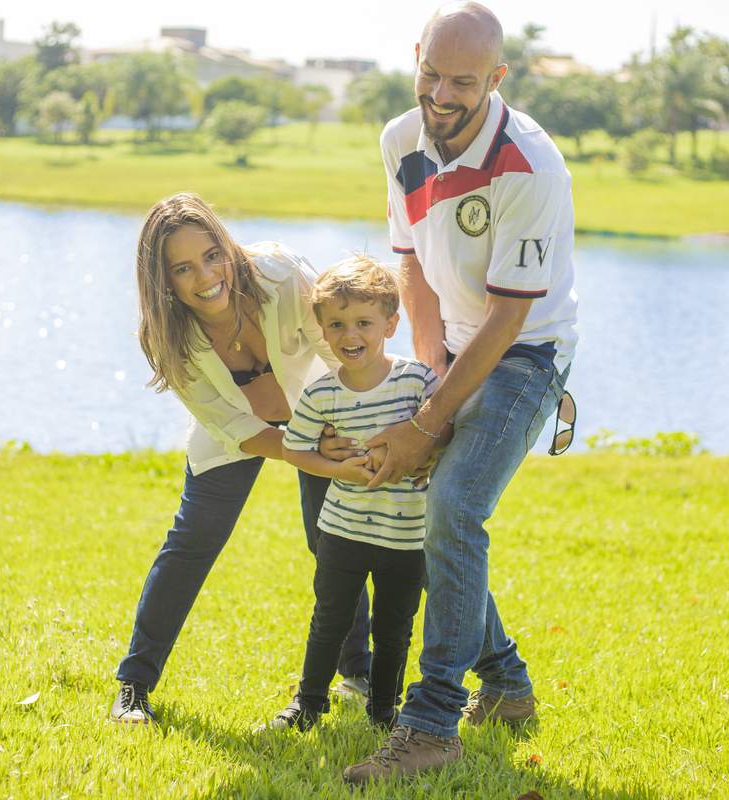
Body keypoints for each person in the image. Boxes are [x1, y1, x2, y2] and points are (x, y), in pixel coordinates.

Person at [342, 1, 578, 784]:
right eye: (431, 74)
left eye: (463, 83)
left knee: (452, 505)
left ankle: (433, 723)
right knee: (440, 510)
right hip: (448, 343)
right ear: (417, 56)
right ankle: (505, 684)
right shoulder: (399, 139)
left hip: (527, 353)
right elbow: (410, 263)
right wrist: (429, 383)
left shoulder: (530, 166)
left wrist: (429, 420)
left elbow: (510, 316)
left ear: (497, 78)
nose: (441, 95)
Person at [110, 192, 372, 724]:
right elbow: (229, 424)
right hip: (235, 428)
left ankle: (359, 675)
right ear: (163, 281)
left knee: (332, 537)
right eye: (183, 268)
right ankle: (133, 687)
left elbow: (342, 356)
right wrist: (300, 451)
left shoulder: (283, 277)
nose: (206, 276)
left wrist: (337, 437)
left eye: (212, 256)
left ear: (227, 248)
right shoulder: (167, 336)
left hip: (322, 409)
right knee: (192, 541)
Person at [255, 255, 452, 735]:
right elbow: (295, 449)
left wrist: (429, 451)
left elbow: (444, 429)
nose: (350, 335)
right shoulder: (321, 394)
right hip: (341, 532)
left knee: (393, 630)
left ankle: (383, 712)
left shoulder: (416, 380)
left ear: (390, 325)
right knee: (330, 621)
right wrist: (338, 469)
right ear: (322, 329)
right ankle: (308, 705)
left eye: (364, 322)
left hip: (406, 537)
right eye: (337, 324)